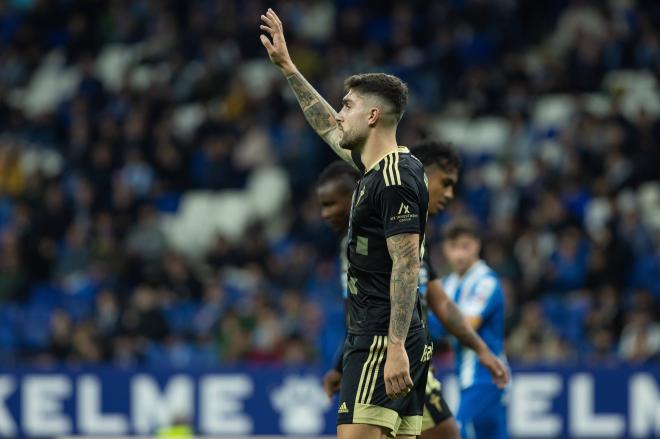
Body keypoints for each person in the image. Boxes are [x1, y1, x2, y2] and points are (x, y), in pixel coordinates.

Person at [261, 9, 430, 438]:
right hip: (376, 336)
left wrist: (393, 348)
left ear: (373, 116)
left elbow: (407, 265)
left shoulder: (396, 178)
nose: (339, 114)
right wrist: (288, 68)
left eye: (348, 106)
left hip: (380, 338)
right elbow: (326, 128)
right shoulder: (378, 170)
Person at [319, 142, 508, 439]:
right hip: (380, 349)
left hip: (406, 352)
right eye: (445, 184)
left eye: (330, 203)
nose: (449, 194)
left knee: (446, 433)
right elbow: (356, 314)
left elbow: (441, 304)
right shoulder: (363, 239)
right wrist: (340, 363)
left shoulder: (410, 231)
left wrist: (481, 349)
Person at [442, 218, 509, 439]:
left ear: (477, 246)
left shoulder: (486, 282)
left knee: (456, 430)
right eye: (454, 247)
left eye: (465, 246)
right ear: (445, 249)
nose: (459, 254)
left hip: (486, 375)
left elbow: (469, 324)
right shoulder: (448, 284)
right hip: (465, 375)